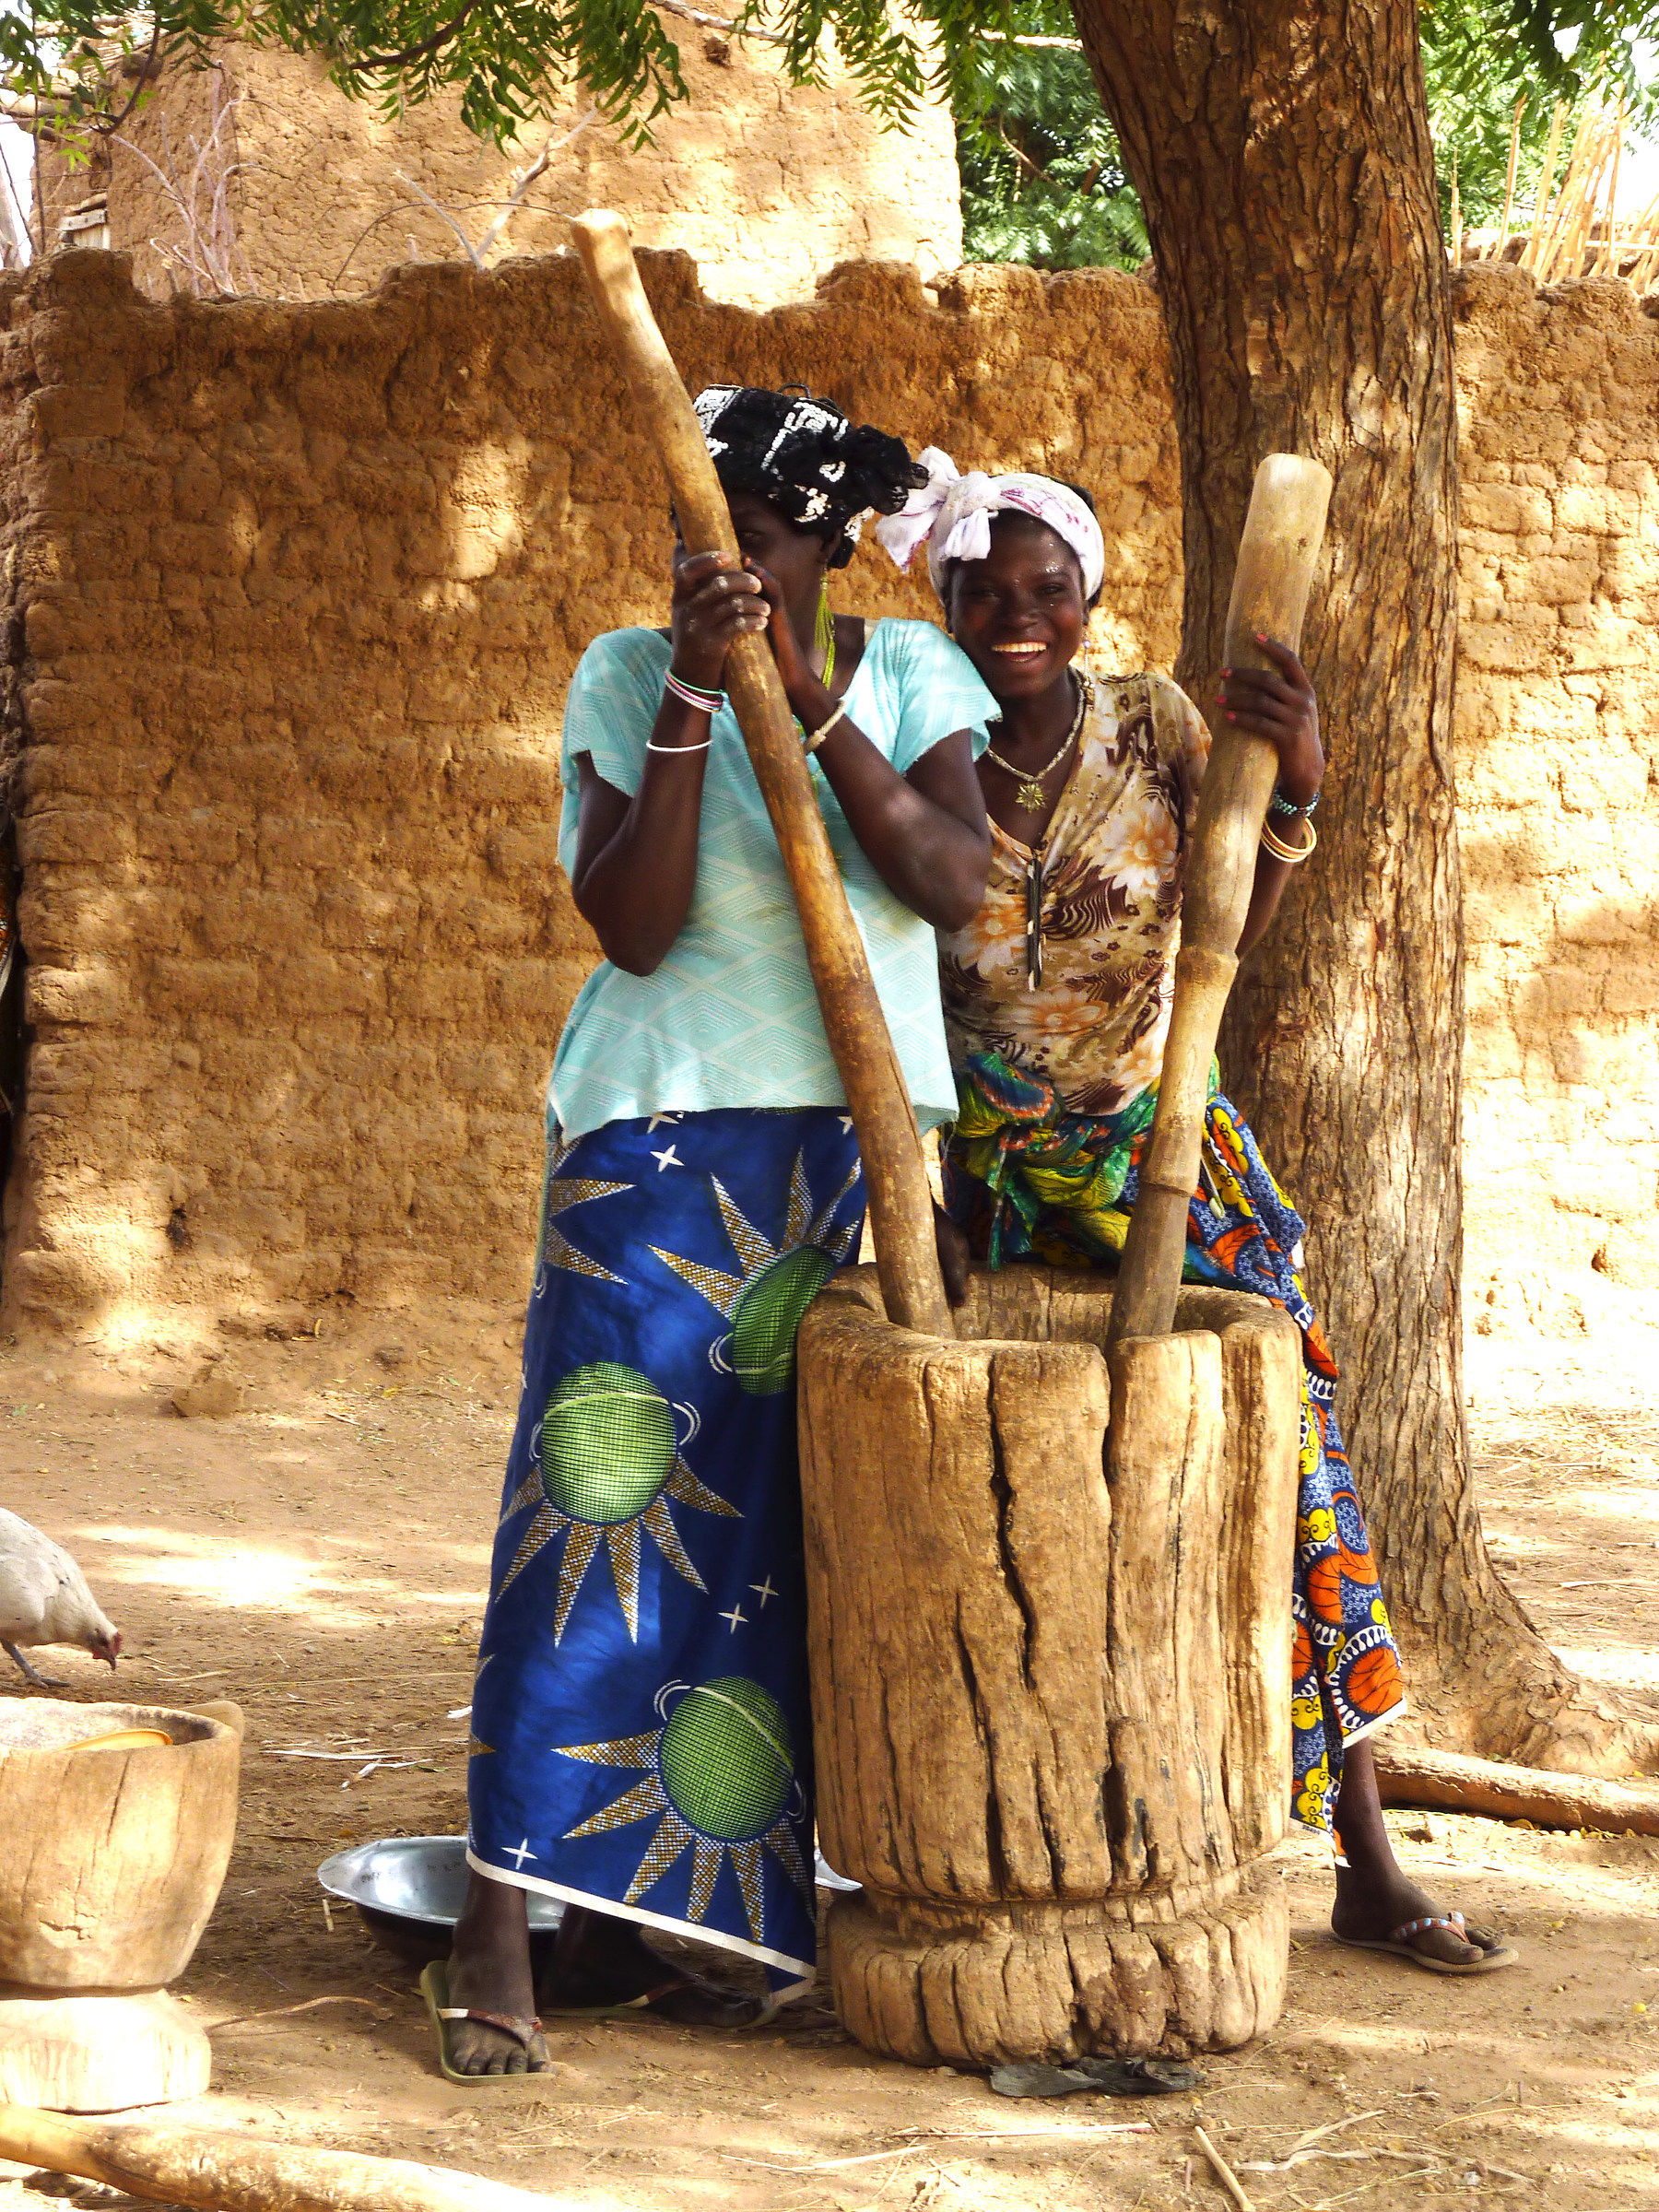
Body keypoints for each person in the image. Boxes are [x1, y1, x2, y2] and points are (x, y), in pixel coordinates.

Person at [877, 453, 1516, 1979]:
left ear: (1090, 600)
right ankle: (1014, 1833)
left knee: (1293, 1476)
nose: (1017, 618)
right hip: (995, 1185)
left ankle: (1362, 1855)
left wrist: (1293, 792)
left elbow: (1232, 925)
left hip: (1167, 1155)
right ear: (945, 602)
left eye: (1048, 591)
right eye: (987, 592)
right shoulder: (917, 739)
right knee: (1001, 1508)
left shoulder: (1154, 725)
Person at [428, 390, 997, 2078]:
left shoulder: (907, 675)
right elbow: (639, 924)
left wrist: (806, 701)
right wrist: (693, 687)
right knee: (596, 1519)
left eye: (753, 527)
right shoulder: (622, 670)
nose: (718, 556)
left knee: (793, 1543)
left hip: (859, 1158)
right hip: (660, 1144)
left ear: (821, 544)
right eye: (700, 526)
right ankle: (499, 1921)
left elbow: (949, 884)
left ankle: (714, 1919)